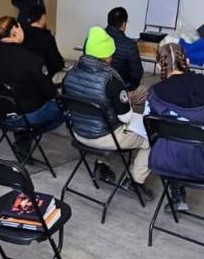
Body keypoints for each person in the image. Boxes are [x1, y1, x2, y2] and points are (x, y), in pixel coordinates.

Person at [61, 26, 152, 199]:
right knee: (150, 137)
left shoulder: (70, 73)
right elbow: (124, 116)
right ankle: (135, 181)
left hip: (78, 132)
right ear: (107, 56)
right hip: (104, 136)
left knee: (106, 120)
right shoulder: (111, 78)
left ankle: (102, 165)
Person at [145, 43, 204, 212]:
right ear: (188, 61)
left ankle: (177, 194)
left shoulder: (155, 93)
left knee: (172, 142)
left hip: (169, 164)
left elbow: (149, 130)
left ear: (158, 66)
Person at [0, 16, 65, 159]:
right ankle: (27, 135)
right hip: (27, 115)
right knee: (65, 107)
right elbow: (49, 92)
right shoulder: (31, 59)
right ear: (15, 29)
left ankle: (23, 138)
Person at [103, 7, 143, 92]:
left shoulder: (94, 39)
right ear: (123, 24)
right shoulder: (129, 44)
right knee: (145, 91)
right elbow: (137, 74)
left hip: (97, 84)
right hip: (121, 89)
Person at [21, 4, 65, 76]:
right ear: (43, 17)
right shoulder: (47, 38)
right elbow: (57, 63)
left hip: (24, 74)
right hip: (42, 75)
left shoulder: (22, 35)